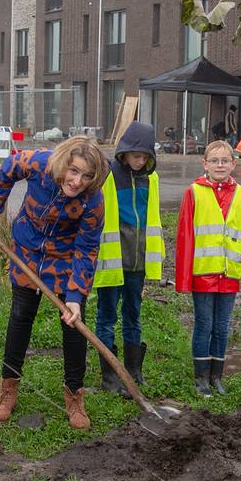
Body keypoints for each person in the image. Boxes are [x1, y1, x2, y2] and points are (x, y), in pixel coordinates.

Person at [0, 136, 108, 430]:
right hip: (27, 251)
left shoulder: (93, 201)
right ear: (63, 165)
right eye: (74, 171)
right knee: (20, 317)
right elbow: (7, 169)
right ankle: (8, 390)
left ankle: (74, 396)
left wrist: (74, 295)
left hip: (64, 258)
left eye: (86, 176)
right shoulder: (39, 163)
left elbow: (87, 249)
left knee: (73, 327)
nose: (77, 181)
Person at [175, 140, 241, 396]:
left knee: (222, 327)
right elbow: (185, 236)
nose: (220, 165)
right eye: (215, 160)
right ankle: (201, 379)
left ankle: (216, 378)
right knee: (204, 325)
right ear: (205, 164)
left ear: (233, 164)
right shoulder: (194, 192)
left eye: (225, 161)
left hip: (229, 274)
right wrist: (183, 279)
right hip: (203, 273)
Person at [94, 122, 163, 393]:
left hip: (137, 263)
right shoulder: (109, 176)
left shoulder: (152, 179)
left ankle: (134, 372)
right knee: (107, 316)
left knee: (133, 316)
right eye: (136, 156)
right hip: (112, 261)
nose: (140, 161)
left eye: (145, 156)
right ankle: (110, 376)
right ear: (124, 152)